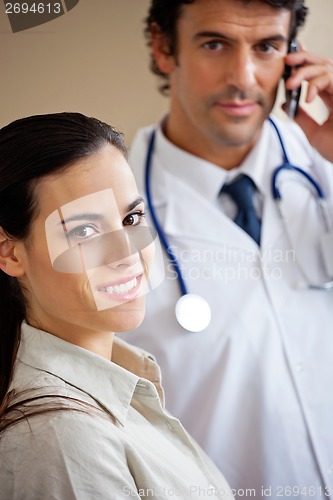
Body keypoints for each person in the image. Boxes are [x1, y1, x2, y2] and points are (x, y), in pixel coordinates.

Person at [121, 0, 333, 498]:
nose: (243, 77)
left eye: (267, 47)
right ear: (163, 46)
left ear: (292, 55)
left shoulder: (324, 161)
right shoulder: (111, 220)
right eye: (215, 44)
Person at [0, 112, 234, 499]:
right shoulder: (62, 438)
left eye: (131, 217)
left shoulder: (126, 386)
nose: (128, 252)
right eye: (84, 231)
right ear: (10, 252)